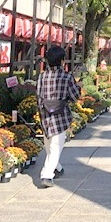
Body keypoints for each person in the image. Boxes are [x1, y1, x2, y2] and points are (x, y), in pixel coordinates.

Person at [37, 46, 80, 188]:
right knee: (55, 147)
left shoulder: (42, 76)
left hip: (45, 115)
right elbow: (75, 97)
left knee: (49, 145)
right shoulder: (67, 77)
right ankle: (47, 175)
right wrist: (78, 86)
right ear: (62, 61)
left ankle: (58, 168)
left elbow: (38, 97)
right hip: (60, 116)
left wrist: (42, 112)